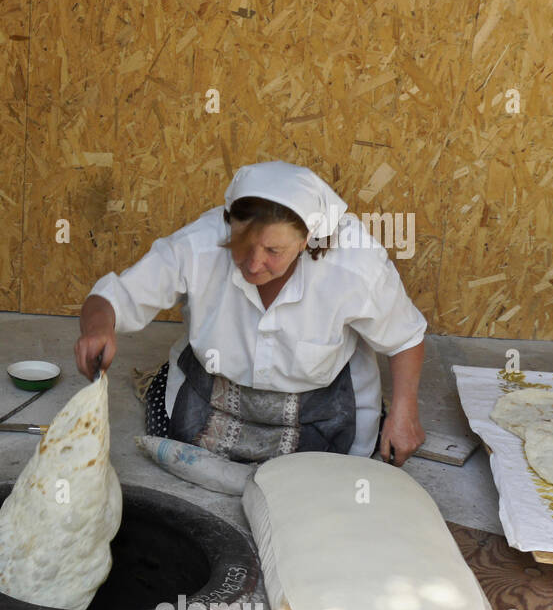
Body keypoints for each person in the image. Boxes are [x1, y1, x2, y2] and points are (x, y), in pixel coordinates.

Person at [74, 161, 426, 465]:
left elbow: (405, 337)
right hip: (213, 396)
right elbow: (113, 298)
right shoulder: (199, 244)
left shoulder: (354, 263)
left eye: (274, 250)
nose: (255, 263)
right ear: (229, 224)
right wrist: (98, 327)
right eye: (242, 244)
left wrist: (403, 411)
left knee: (315, 489)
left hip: (322, 409)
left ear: (306, 239)